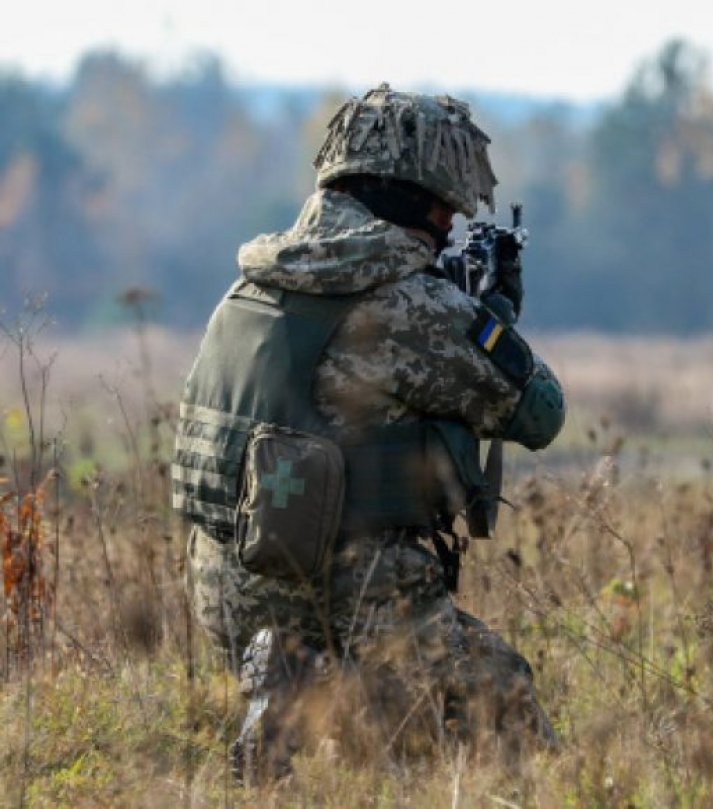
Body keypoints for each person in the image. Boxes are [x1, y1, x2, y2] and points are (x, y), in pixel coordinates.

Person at [170, 84, 566, 780]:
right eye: (446, 206)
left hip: (229, 605)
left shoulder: (248, 287)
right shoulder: (416, 304)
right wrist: (493, 317)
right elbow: (539, 412)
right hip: (364, 600)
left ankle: (293, 688)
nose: (450, 222)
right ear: (413, 197)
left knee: (372, 702)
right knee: (505, 703)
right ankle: (342, 702)